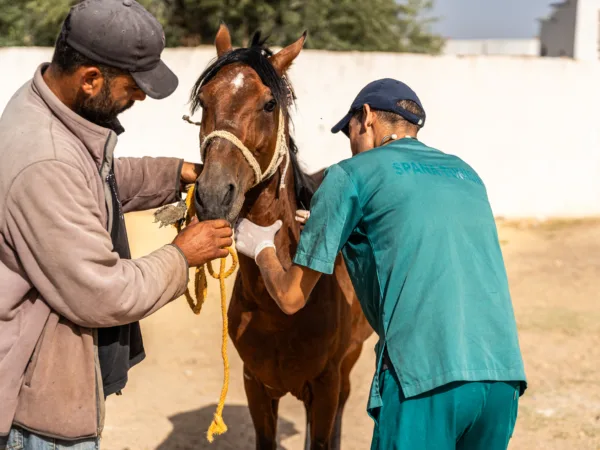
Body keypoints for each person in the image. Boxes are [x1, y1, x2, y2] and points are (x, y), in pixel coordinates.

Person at [234, 78, 527, 449]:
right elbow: (408, 228)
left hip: (424, 378)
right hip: (501, 378)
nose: (353, 145)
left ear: (367, 118)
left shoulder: (351, 174)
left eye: (350, 133)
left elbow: (292, 298)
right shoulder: (465, 174)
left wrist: (262, 250)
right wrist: (333, 224)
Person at [0, 1, 232, 448]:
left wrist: (173, 174)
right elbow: (105, 292)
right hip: (35, 414)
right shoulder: (45, 160)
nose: (141, 97)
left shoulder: (45, 107)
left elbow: (87, 186)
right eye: (134, 86)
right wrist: (182, 255)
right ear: (90, 79)